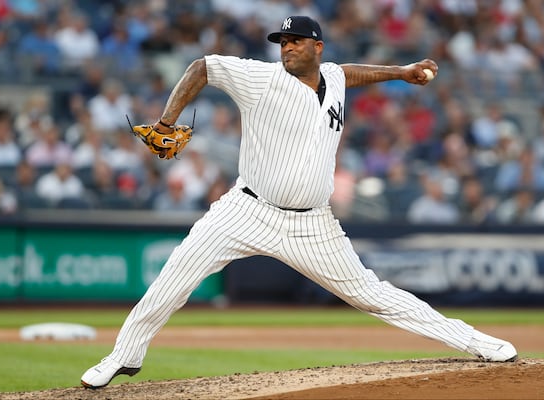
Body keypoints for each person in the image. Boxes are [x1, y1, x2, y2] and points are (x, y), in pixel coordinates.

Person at [81, 16, 517, 389]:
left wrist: (401, 72)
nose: (286, 48)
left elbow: (350, 72)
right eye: (283, 42)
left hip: (314, 225)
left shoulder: (335, 77)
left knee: (372, 295)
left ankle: (475, 342)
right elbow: (202, 67)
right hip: (246, 210)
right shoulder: (262, 78)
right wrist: (165, 121)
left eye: (295, 42)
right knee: (174, 277)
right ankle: (124, 355)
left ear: (317, 48)